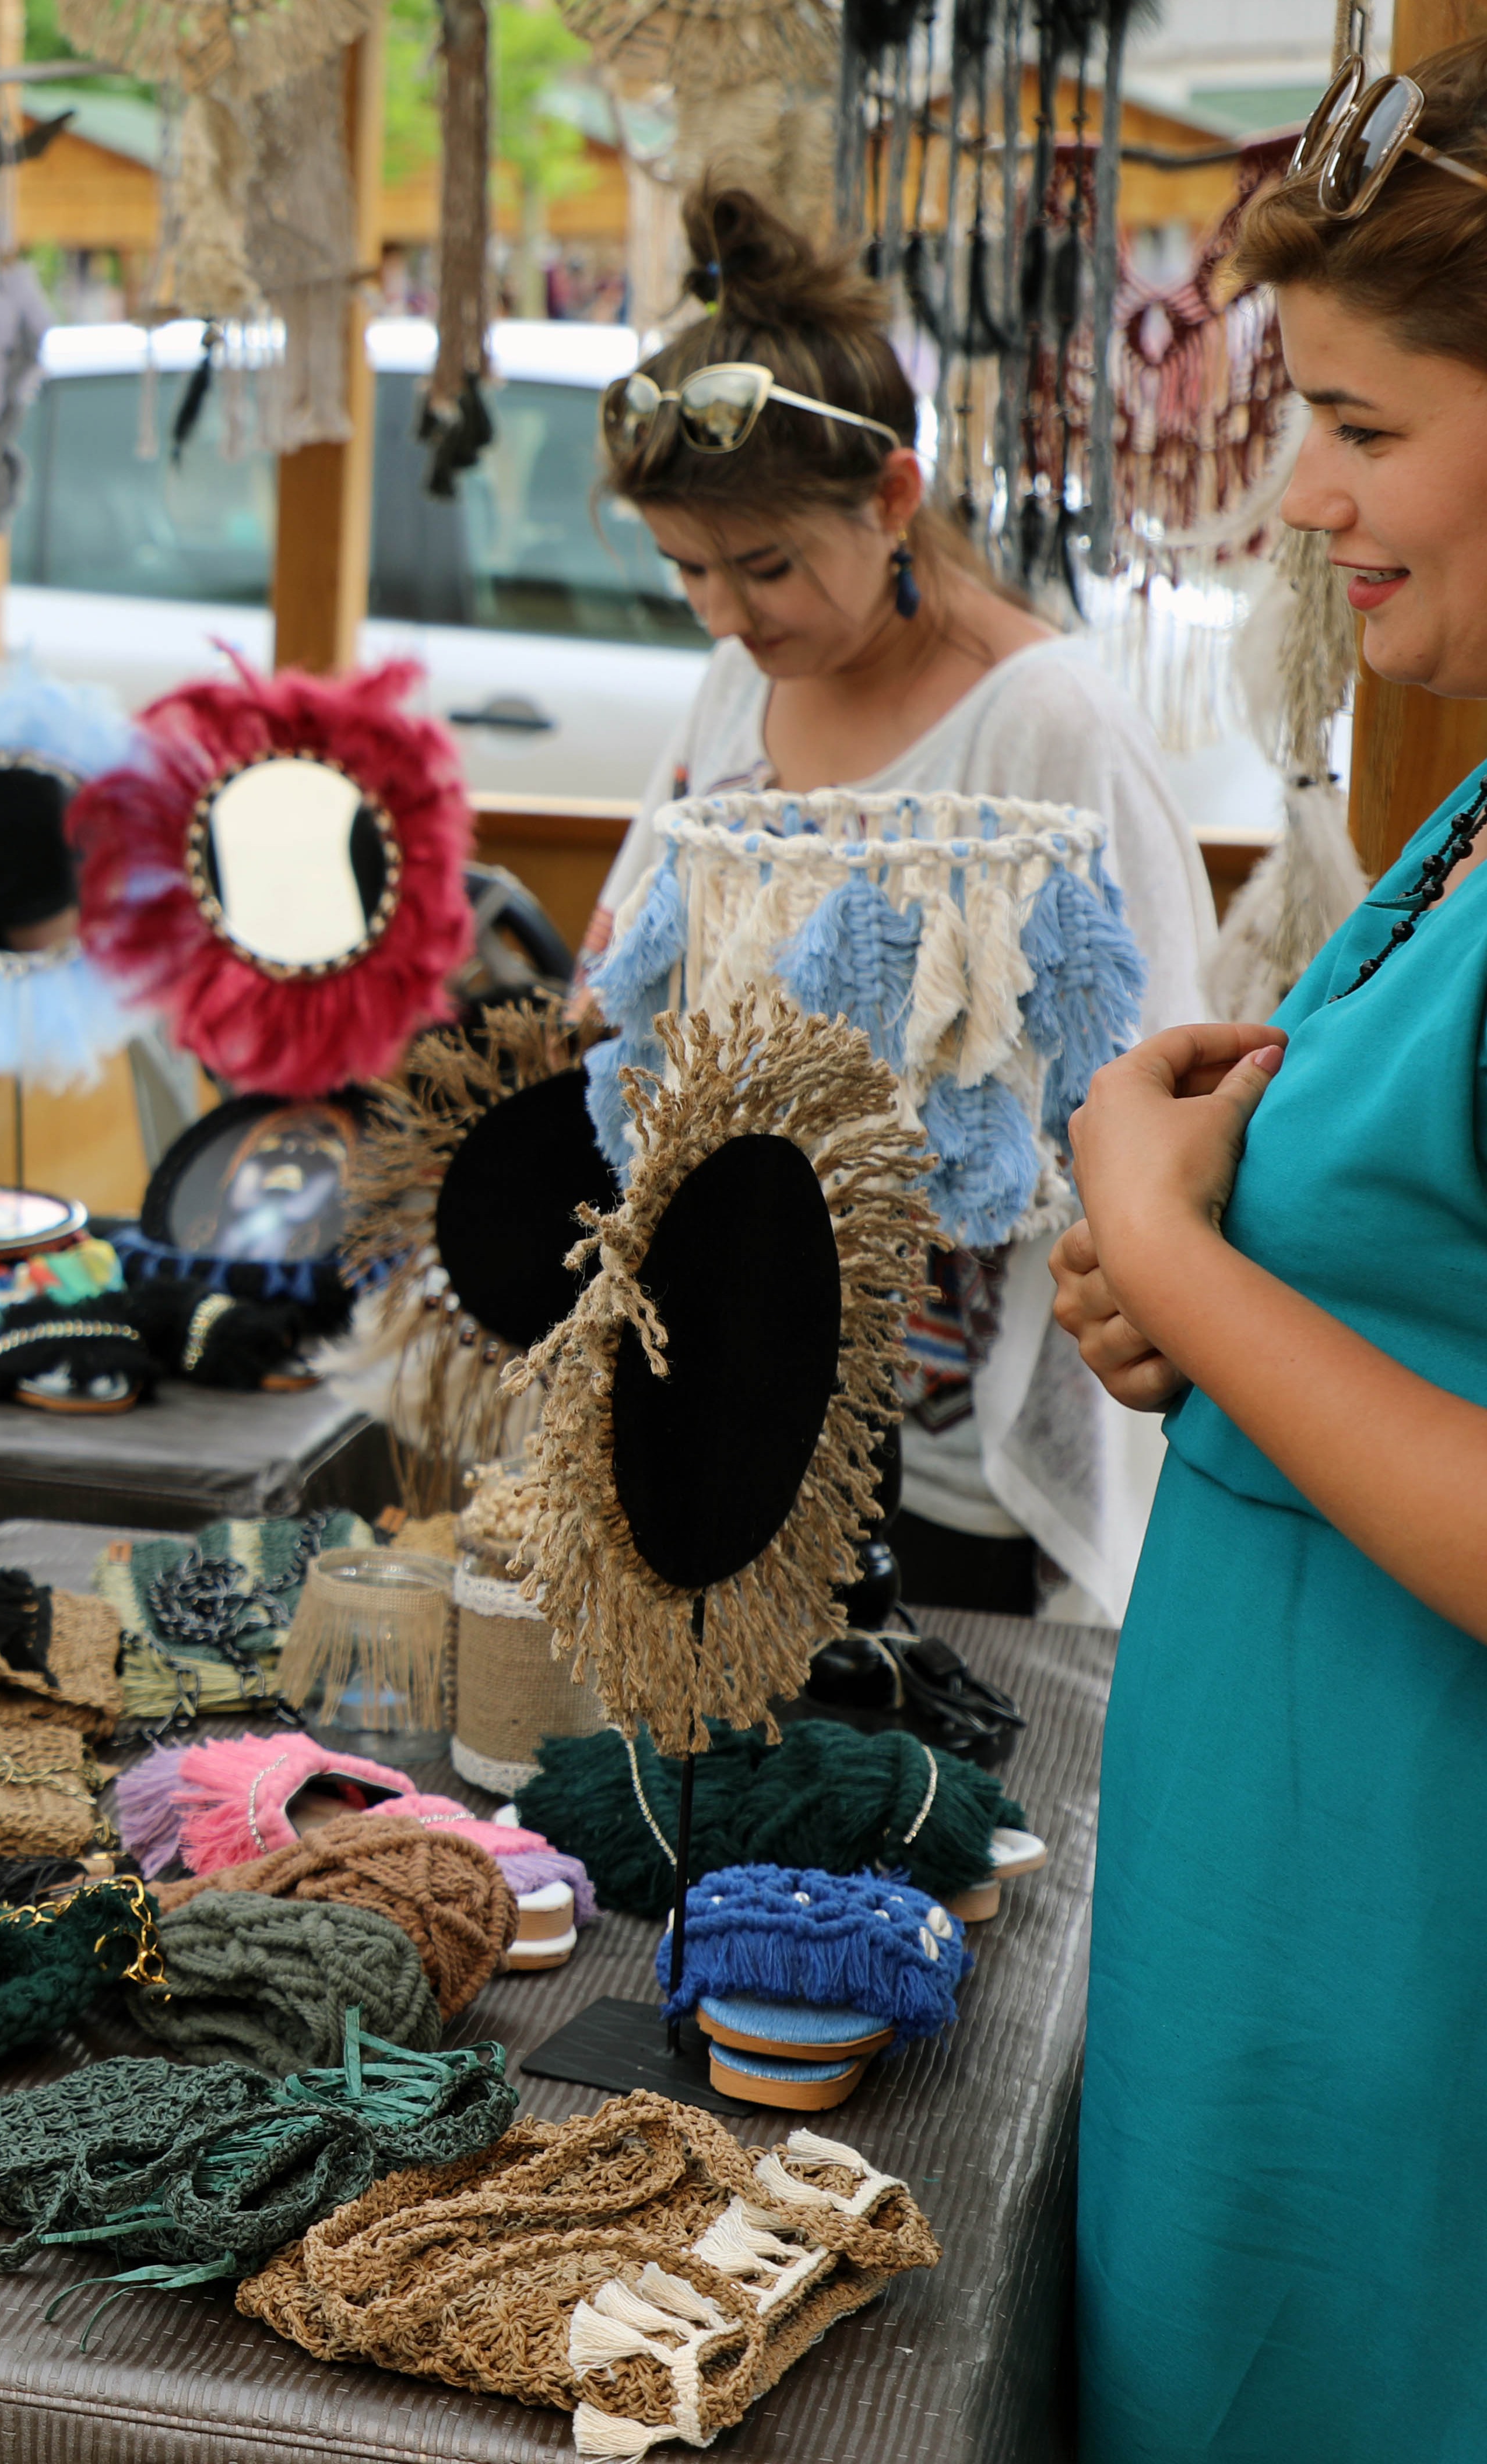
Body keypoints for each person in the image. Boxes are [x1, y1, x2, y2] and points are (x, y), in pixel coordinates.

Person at [1056, 41, 1487, 2455]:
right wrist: (1195, 1283)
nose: (1303, 494)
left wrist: (1171, 1248)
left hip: (1422, 2008)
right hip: (1291, 1950)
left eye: (1365, 424)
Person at [581, 188, 1217, 1626]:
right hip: (746, 1347)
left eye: (766, 566)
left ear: (892, 501)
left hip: (954, 1425)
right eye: (688, 570)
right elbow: (634, 941)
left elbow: (1148, 1056)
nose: (729, 614)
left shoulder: (1044, 726)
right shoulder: (746, 673)